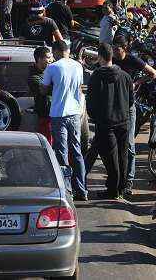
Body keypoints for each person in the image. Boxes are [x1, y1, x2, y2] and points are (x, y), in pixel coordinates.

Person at [41, 41, 87, 200]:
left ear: (56, 51)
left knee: (61, 153)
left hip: (58, 114)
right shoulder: (78, 66)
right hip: (75, 113)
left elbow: (43, 88)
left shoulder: (52, 67)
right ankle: (82, 189)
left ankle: (67, 191)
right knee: (77, 151)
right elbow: (80, 87)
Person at [87, 43, 134, 199]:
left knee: (111, 159)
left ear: (100, 57)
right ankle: (120, 187)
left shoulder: (96, 76)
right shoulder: (126, 76)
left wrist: (95, 117)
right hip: (123, 122)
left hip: (105, 124)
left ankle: (113, 190)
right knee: (122, 157)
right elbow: (131, 101)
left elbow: (91, 102)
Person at [112, 35, 156, 194]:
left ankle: (129, 181)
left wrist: (137, 82)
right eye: (113, 48)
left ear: (124, 49)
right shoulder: (111, 60)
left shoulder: (133, 60)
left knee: (130, 144)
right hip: (112, 105)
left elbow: (154, 74)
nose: (115, 52)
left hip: (129, 105)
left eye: (117, 49)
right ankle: (116, 179)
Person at [28, 46, 53, 144]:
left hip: (56, 115)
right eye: (48, 57)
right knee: (48, 144)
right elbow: (45, 90)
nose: (51, 60)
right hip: (45, 116)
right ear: (39, 59)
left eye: (51, 57)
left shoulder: (50, 71)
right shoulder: (34, 77)